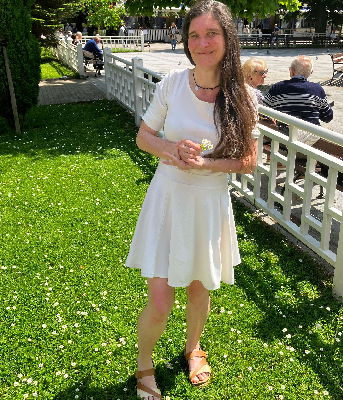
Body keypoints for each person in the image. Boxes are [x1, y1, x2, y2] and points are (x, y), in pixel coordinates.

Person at [125, 1, 258, 399]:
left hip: (208, 204)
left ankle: (193, 348)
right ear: (185, 41)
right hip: (168, 199)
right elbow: (143, 137)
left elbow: (248, 161)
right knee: (160, 300)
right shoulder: (172, 84)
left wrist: (207, 164)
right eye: (194, 35)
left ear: (227, 38)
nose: (202, 43)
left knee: (200, 291)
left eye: (211, 34)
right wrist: (171, 148)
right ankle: (144, 365)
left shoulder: (244, 96)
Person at [264, 55, 333, 146]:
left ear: (292, 71)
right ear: (311, 72)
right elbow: (327, 117)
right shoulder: (317, 89)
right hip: (309, 147)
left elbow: (264, 111)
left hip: (283, 143)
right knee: (327, 128)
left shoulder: (277, 88)